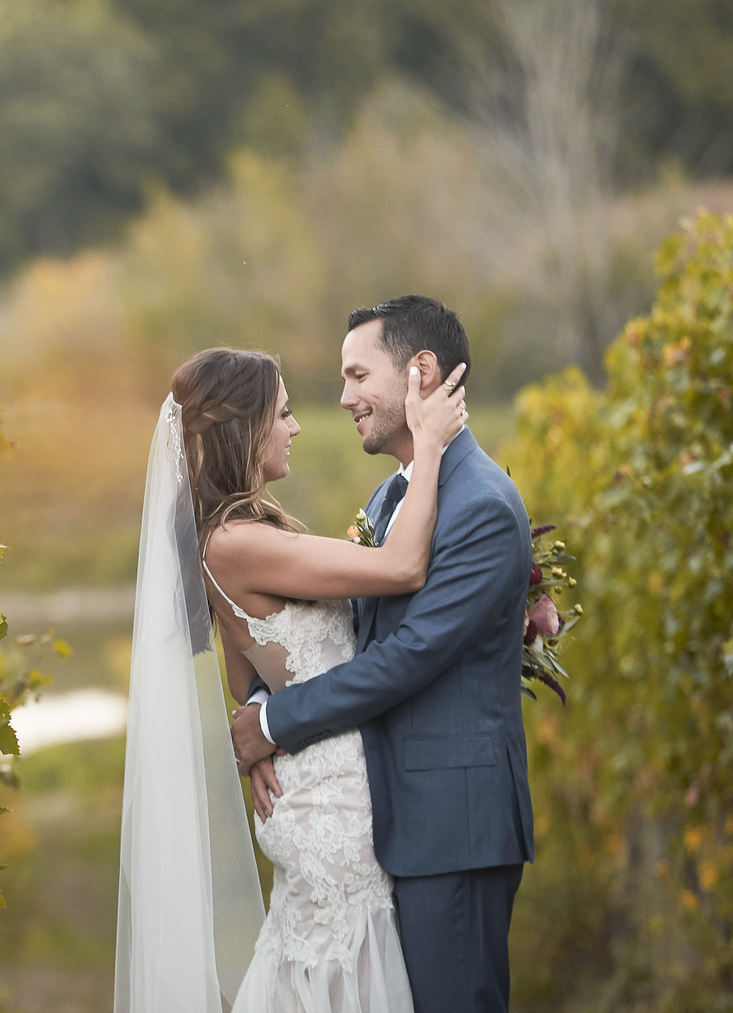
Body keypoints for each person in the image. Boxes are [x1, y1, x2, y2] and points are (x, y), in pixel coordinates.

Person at [114, 329, 468, 1013]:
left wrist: (254, 729)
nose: (296, 426)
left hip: (317, 793)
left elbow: (242, 672)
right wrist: (428, 448)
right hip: (332, 815)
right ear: (244, 430)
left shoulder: (236, 535)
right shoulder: (239, 542)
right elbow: (401, 568)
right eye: (281, 413)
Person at [228, 297, 535, 1013]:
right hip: (390, 824)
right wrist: (258, 703)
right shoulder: (395, 496)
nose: (343, 399)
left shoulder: (483, 505)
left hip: (450, 828)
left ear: (420, 372)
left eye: (359, 375)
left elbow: (408, 657)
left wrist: (274, 725)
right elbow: (338, 640)